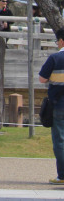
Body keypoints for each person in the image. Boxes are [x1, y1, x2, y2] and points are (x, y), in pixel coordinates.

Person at [39, 27, 64, 184]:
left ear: (61, 41)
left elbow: (42, 79)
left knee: (60, 140)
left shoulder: (55, 58)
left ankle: (62, 175)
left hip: (59, 104)